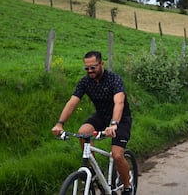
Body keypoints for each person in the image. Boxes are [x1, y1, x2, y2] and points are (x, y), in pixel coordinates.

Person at [51, 51, 133, 195]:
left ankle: (127, 187)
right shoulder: (85, 82)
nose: (89, 71)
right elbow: (72, 102)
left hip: (120, 119)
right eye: (86, 68)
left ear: (101, 64)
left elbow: (119, 102)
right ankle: (95, 171)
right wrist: (60, 123)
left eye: (93, 67)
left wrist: (114, 124)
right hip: (101, 116)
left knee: (117, 155)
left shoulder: (114, 79)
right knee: (83, 132)